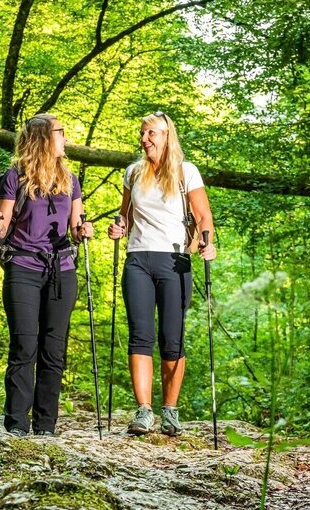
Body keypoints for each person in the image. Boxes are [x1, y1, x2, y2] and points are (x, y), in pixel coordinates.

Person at [107, 111, 216, 436]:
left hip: (175, 261)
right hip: (138, 259)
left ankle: (170, 410)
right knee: (140, 335)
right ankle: (144, 411)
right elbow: (125, 216)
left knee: (172, 338)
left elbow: (204, 217)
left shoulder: (186, 172)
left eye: (151, 133)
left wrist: (203, 246)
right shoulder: (133, 172)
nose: (144, 139)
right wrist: (118, 228)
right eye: (142, 134)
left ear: (167, 136)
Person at [0, 113, 93, 437]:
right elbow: (3, 224)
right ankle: (16, 425)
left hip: (62, 269)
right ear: (44, 138)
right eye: (61, 132)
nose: (65, 137)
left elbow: (76, 229)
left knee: (53, 349)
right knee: (24, 346)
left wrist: (83, 230)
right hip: (23, 267)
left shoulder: (70, 179)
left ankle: (46, 426)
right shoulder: (14, 176)